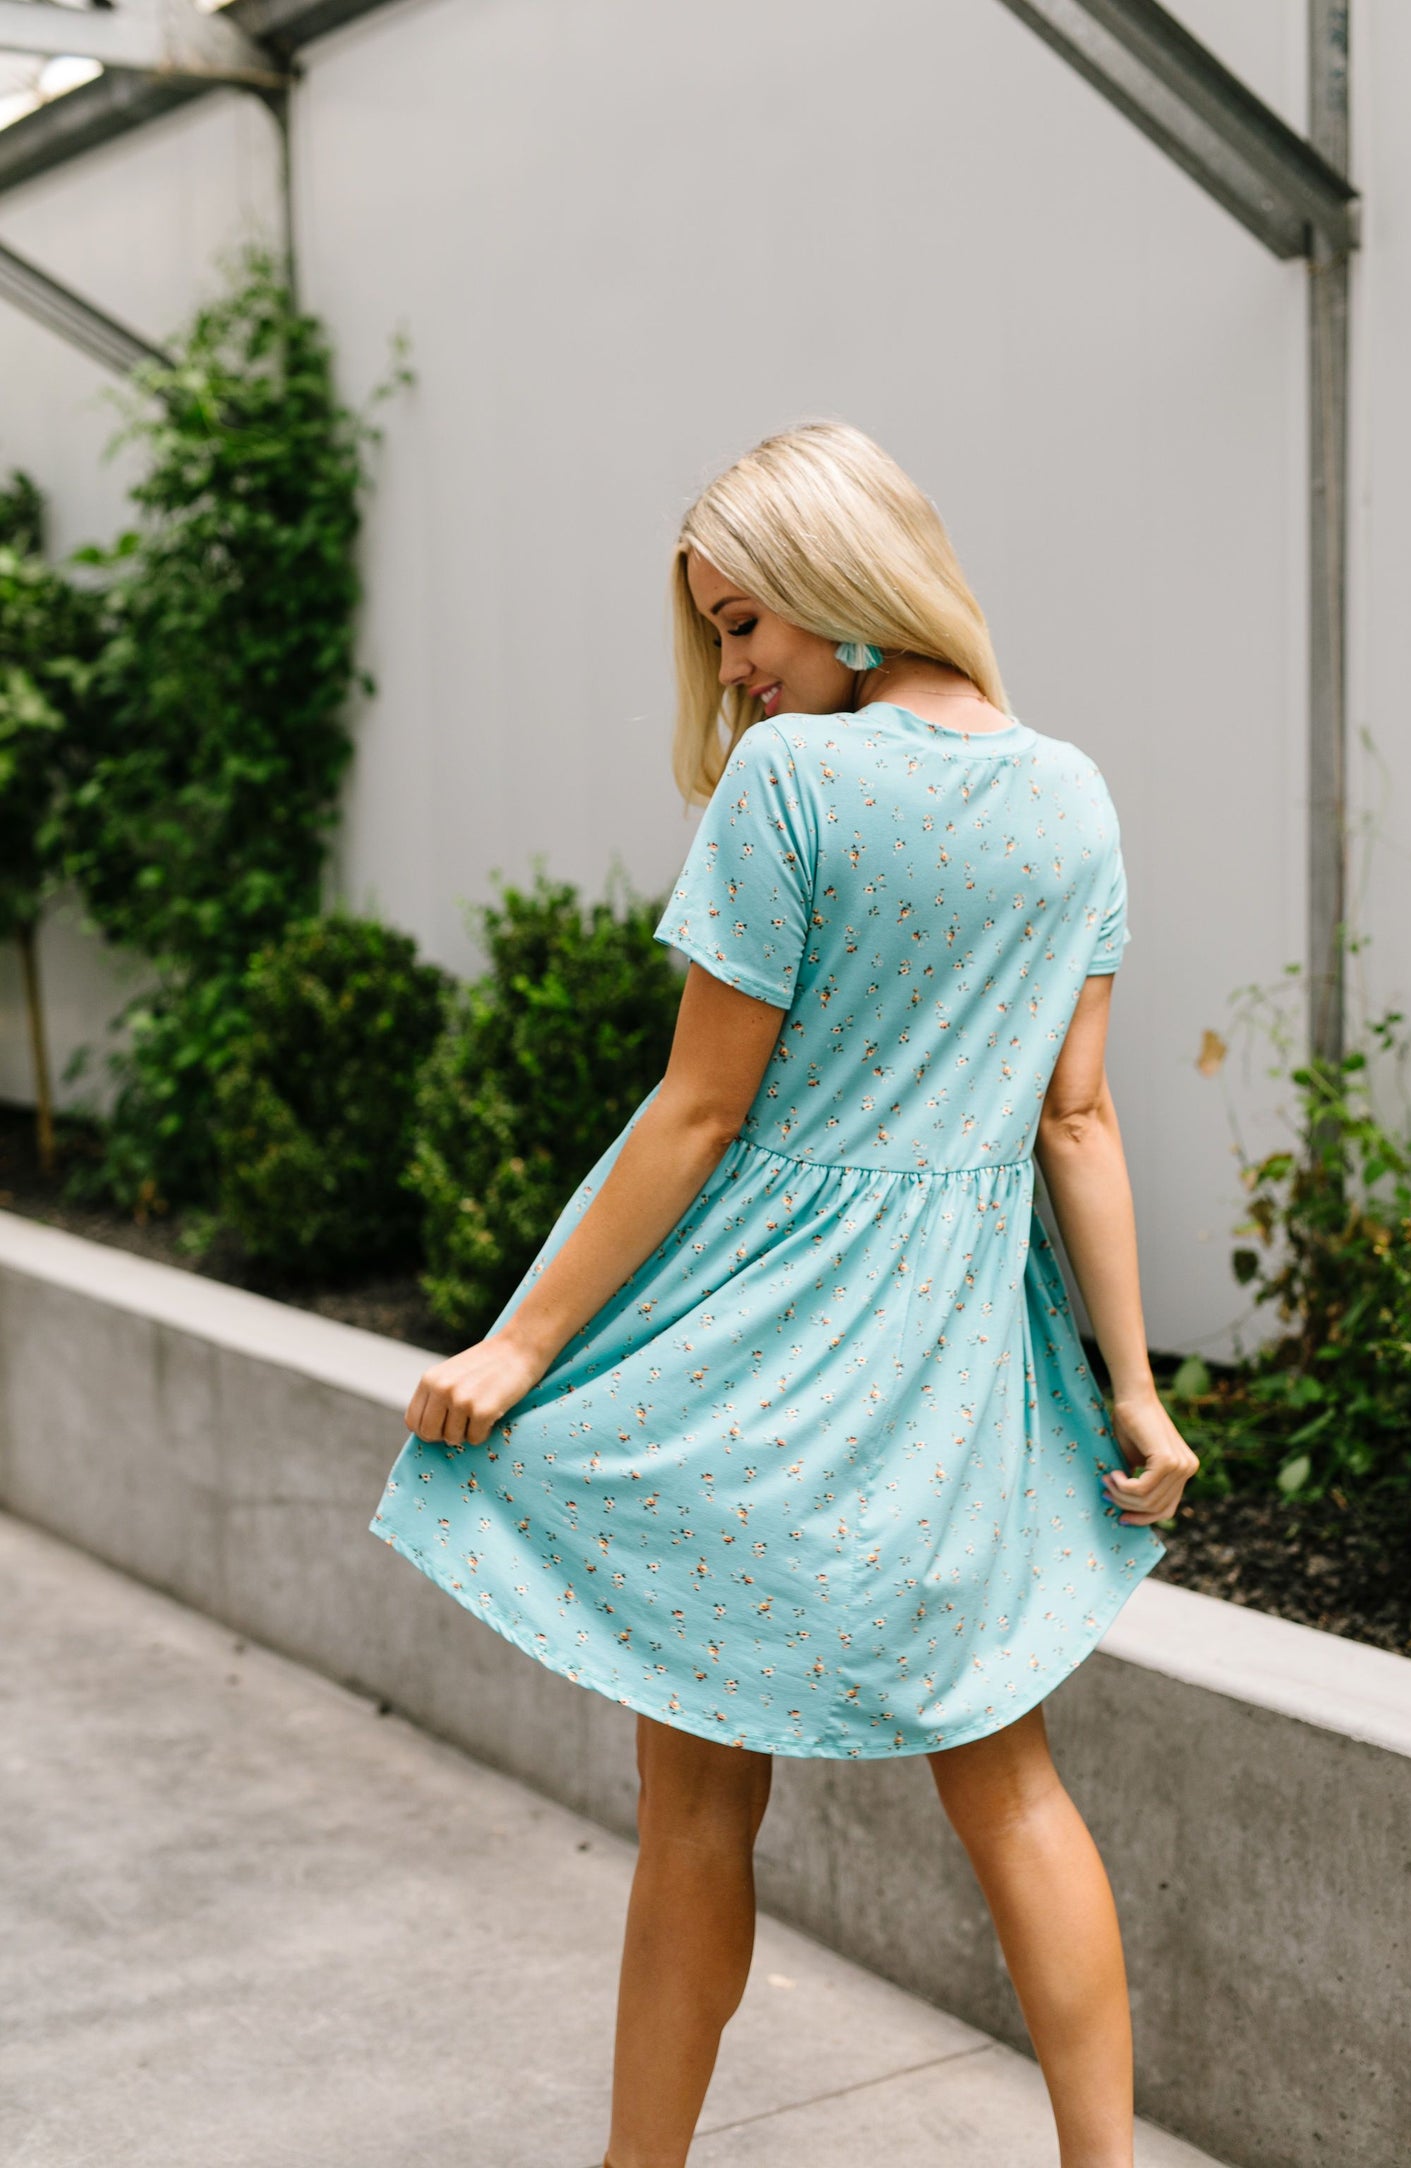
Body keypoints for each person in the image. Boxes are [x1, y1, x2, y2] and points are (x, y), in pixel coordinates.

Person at [370, 418, 1200, 2168]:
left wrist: (521, 1343)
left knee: (691, 1814)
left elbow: (696, 1111)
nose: (735, 674)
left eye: (744, 625)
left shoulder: (796, 789)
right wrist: (1130, 1386)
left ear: (842, 590)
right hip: (963, 1367)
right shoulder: (1070, 792)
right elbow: (1077, 1120)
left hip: (761, 1349)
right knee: (1012, 1788)